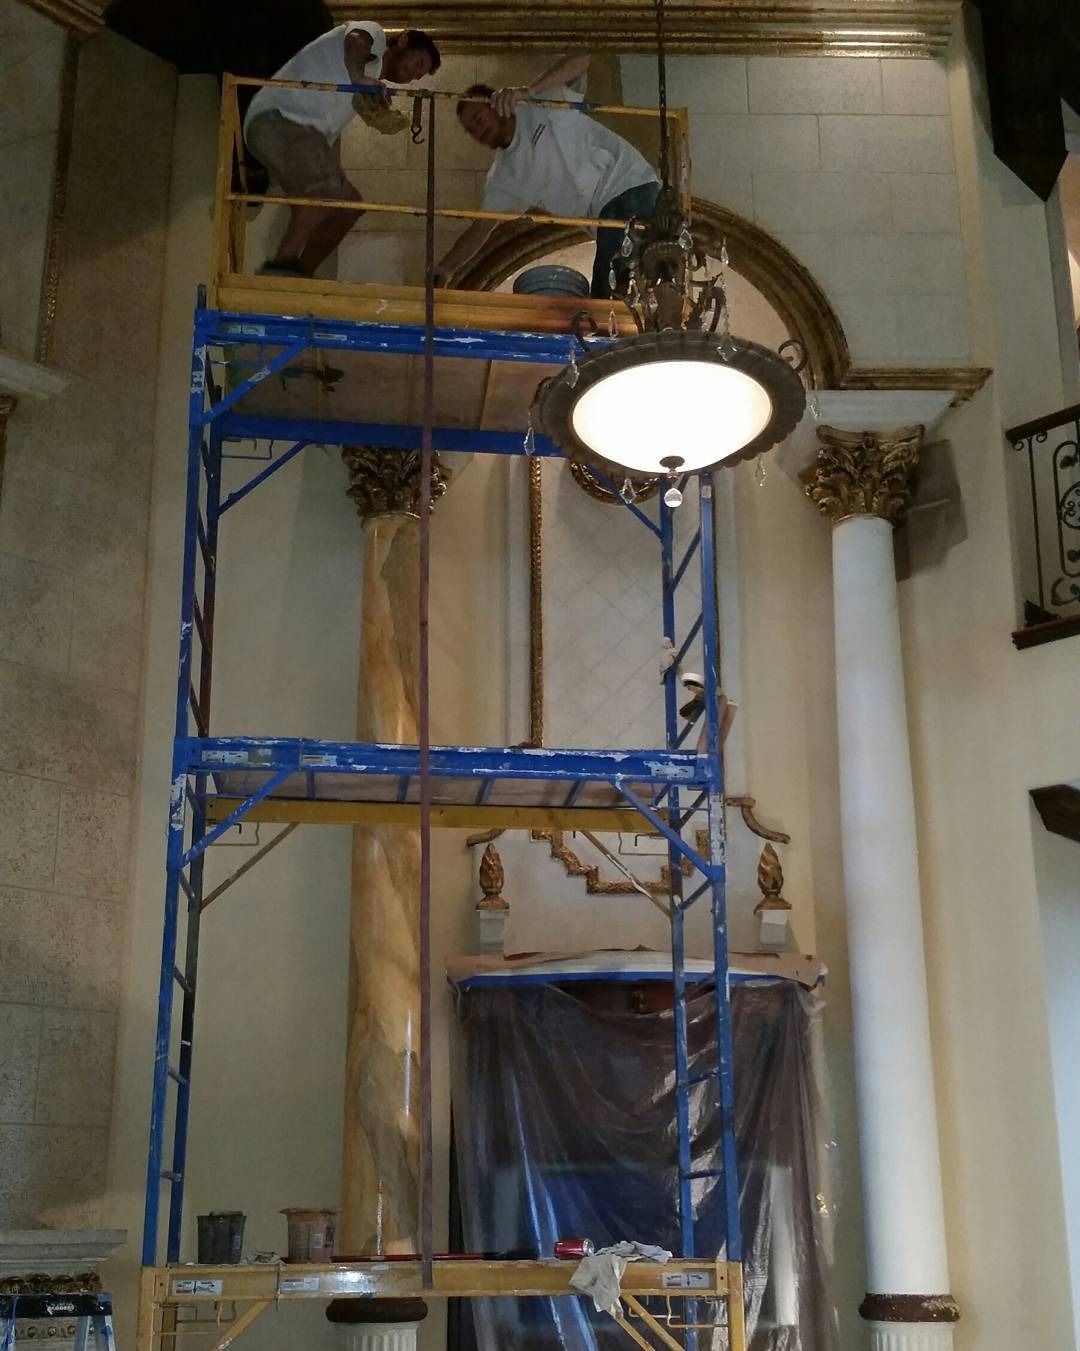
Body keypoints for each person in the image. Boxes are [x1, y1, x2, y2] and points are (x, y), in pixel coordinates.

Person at [434, 54, 659, 298]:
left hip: (628, 186)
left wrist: (529, 90)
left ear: (496, 104)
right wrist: (445, 269)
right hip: (604, 218)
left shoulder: (541, 104)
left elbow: (581, 57)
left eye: (478, 120)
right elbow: (481, 228)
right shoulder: (504, 176)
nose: (478, 132)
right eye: (471, 130)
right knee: (616, 293)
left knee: (606, 295)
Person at [244, 22, 441, 278]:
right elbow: (356, 42)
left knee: (349, 208)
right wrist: (358, 77)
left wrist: (369, 99)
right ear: (403, 41)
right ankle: (280, 269)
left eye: (418, 76)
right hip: (279, 119)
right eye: (417, 64)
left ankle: (303, 273)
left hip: (297, 134)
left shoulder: (369, 77)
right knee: (321, 194)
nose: (412, 76)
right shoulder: (375, 35)